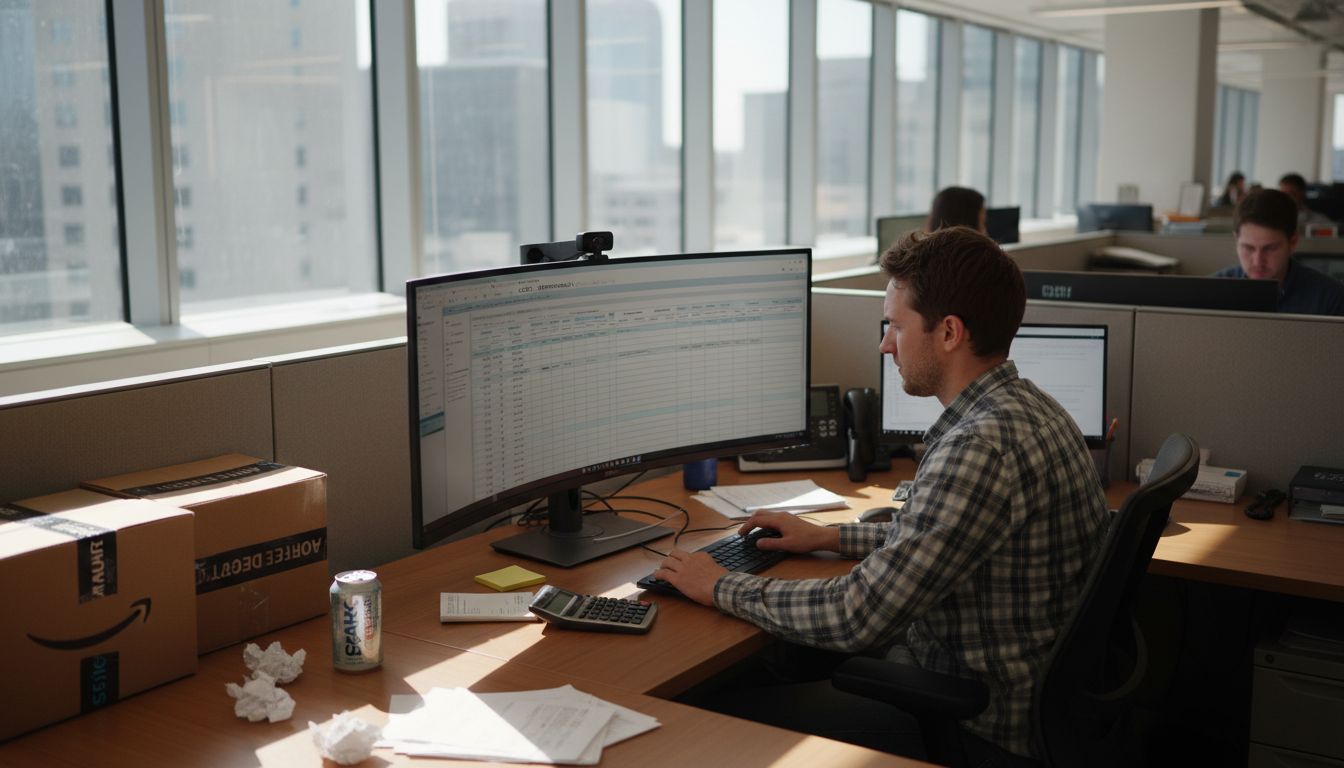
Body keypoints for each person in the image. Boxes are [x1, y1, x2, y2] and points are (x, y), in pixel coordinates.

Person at [655, 227, 1109, 764]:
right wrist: (830, 535)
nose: (884, 343)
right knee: (775, 667)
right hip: (996, 681)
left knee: (710, 717)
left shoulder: (979, 448)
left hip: (971, 720)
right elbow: (940, 536)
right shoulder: (1032, 407)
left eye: (895, 325)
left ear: (948, 333)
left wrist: (720, 585)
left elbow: (856, 614)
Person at [1213, 188, 1344, 316]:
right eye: (1248, 248)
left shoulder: (1331, 299)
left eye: (1269, 249)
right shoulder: (1211, 292)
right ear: (1236, 240)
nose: (1258, 261)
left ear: (1292, 242)